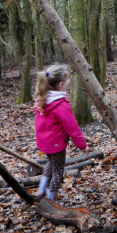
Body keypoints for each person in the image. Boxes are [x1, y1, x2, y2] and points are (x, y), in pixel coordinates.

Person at [33, 64, 89, 201]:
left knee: (51, 164)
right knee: (58, 170)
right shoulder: (60, 104)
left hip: (46, 143)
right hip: (56, 144)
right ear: (62, 84)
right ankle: (51, 198)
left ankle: (41, 191)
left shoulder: (43, 99)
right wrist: (83, 146)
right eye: (69, 80)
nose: (70, 82)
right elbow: (72, 127)